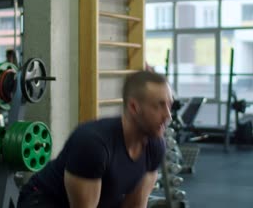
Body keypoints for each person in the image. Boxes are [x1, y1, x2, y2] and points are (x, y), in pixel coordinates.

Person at [17, 70, 172, 208]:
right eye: (158, 106)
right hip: (42, 199)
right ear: (133, 107)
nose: (168, 116)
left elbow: (135, 205)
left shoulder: (155, 147)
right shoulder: (93, 144)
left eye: (169, 105)